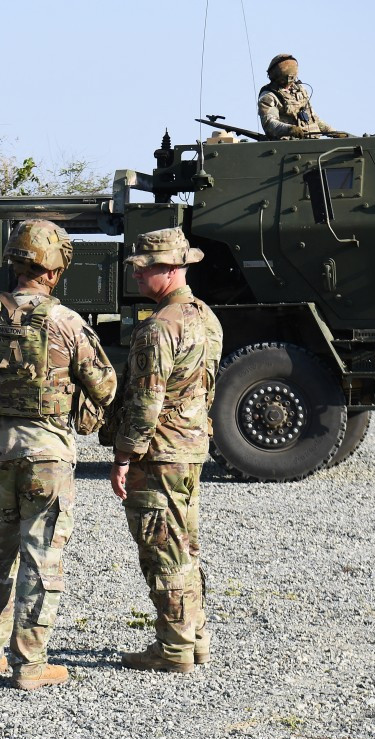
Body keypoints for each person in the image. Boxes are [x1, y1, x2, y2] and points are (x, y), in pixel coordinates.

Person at [0, 219, 117, 691]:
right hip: (47, 457)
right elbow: (104, 385)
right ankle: (29, 665)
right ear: (54, 269)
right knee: (41, 556)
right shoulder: (67, 323)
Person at [109, 227, 223, 673]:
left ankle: (173, 648)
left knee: (163, 548)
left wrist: (122, 457)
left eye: (146, 268)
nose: (137, 275)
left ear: (173, 269)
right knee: (186, 546)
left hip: (159, 454)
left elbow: (145, 402)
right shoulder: (206, 317)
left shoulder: (159, 328)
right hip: (191, 447)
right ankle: (193, 638)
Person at [258, 54, 343, 140]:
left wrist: (333, 132)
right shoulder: (269, 96)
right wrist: (290, 129)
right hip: (288, 146)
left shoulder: (300, 90)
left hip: (313, 143)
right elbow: (269, 124)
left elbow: (314, 119)